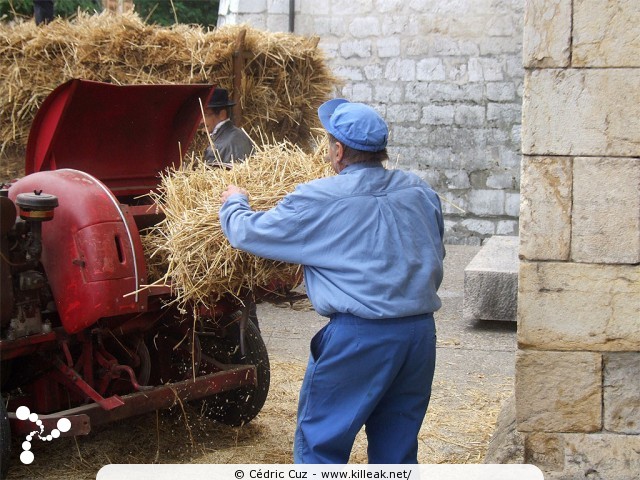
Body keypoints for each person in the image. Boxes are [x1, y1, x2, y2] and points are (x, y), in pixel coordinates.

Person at [219, 98, 445, 464]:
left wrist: (234, 201)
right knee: (398, 450)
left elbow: (247, 234)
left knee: (321, 447)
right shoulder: (420, 192)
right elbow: (432, 251)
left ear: (338, 151)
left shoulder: (319, 197)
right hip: (419, 337)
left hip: (360, 337)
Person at [201, 87, 255, 167]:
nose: (201, 121)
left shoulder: (218, 148)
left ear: (222, 114)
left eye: (205, 115)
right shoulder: (242, 135)